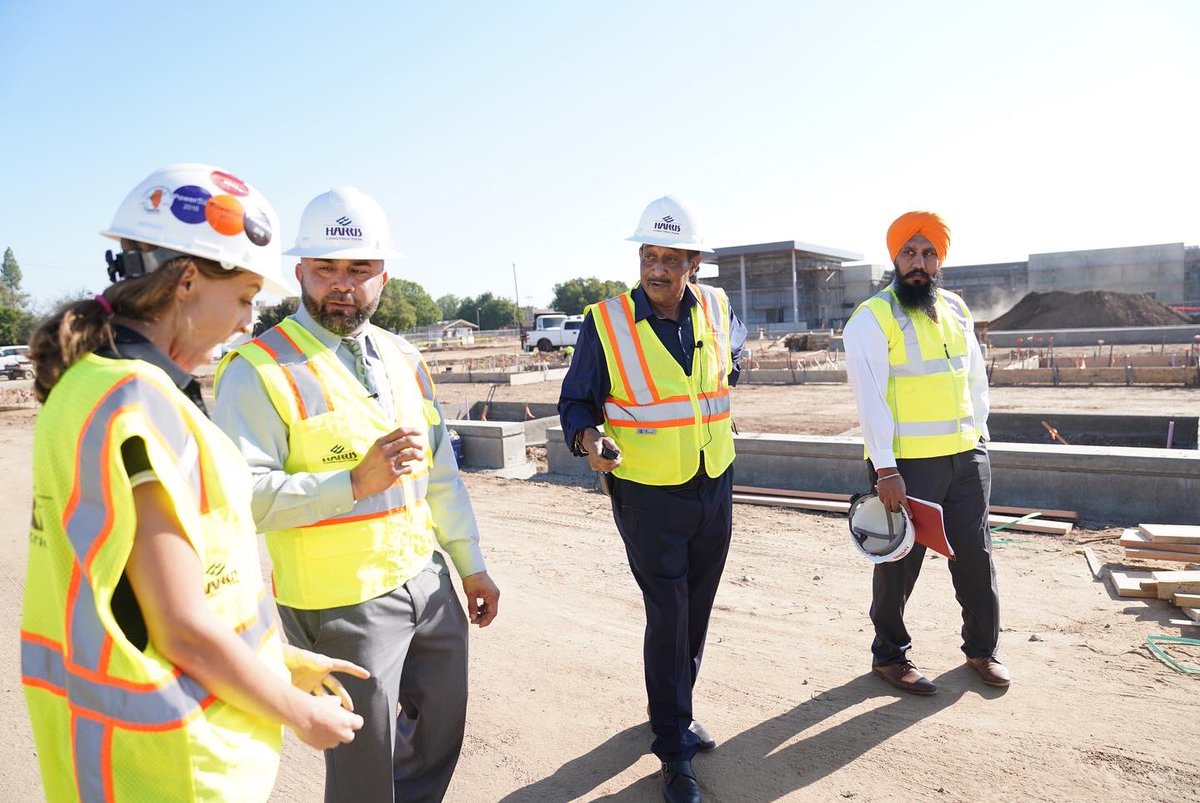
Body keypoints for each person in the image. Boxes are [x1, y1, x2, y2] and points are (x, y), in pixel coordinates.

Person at [20, 163, 367, 802]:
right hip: (173, 763)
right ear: (185, 282)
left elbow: (147, 591)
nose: (247, 322)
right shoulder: (138, 402)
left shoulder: (87, 387)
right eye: (242, 299)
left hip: (126, 758)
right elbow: (180, 625)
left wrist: (276, 658)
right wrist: (299, 713)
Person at [213, 186, 500, 802]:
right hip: (340, 601)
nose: (343, 284)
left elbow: (439, 472)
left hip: (425, 579)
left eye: (359, 269)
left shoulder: (402, 356)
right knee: (363, 765)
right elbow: (242, 498)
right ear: (300, 273)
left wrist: (469, 564)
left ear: (382, 277)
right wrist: (351, 483)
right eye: (327, 269)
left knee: (442, 726)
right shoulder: (257, 369)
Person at [558, 195, 745, 803]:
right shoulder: (606, 321)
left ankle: (676, 709)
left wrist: (730, 371)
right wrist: (590, 438)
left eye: (670, 257)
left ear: (693, 261)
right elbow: (576, 402)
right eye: (648, 255)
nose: (657, 268)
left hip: (714, 481)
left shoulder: (715, 305)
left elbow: (723, 370)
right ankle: (673, 750)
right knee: (668, 614)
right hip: (646, 493)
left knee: (695, 609)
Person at [843, 210, 1011, 695]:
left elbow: (975, 379)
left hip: (966, 459)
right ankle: (890, 656)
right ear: (894, 257)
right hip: (907, 467)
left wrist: (979, 438)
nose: (919, 262)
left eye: (929, 253)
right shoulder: (872, 317)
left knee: (975, 556)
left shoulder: (956, 308)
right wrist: (885, 469)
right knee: (898, 562)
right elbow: (870, 399)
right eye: (909, 253)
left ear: (941, 259)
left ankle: (982, 650)